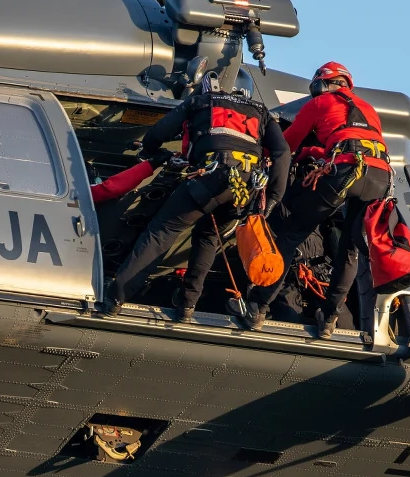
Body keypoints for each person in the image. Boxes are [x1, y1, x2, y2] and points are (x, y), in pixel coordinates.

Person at [102, 73, 291, 322]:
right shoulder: (261, 110)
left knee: (162, 231)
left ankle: (116, 297)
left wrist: (148, 150)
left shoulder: (201, 101)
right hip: (244, 189)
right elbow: (282, 151)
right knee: (209, 236)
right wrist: (275, 196)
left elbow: (162, 130)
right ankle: (188, 304)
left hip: (210, 176)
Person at [241, 62, 391, 338]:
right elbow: (356, 143)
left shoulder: (320, 103)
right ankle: (330, 317)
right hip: (379, 177)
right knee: (350, 249)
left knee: (291, 233)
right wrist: (318, 152)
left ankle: (258, 307)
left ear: (322, 84)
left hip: (344, 172)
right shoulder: (369, 110)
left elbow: (286, 147)